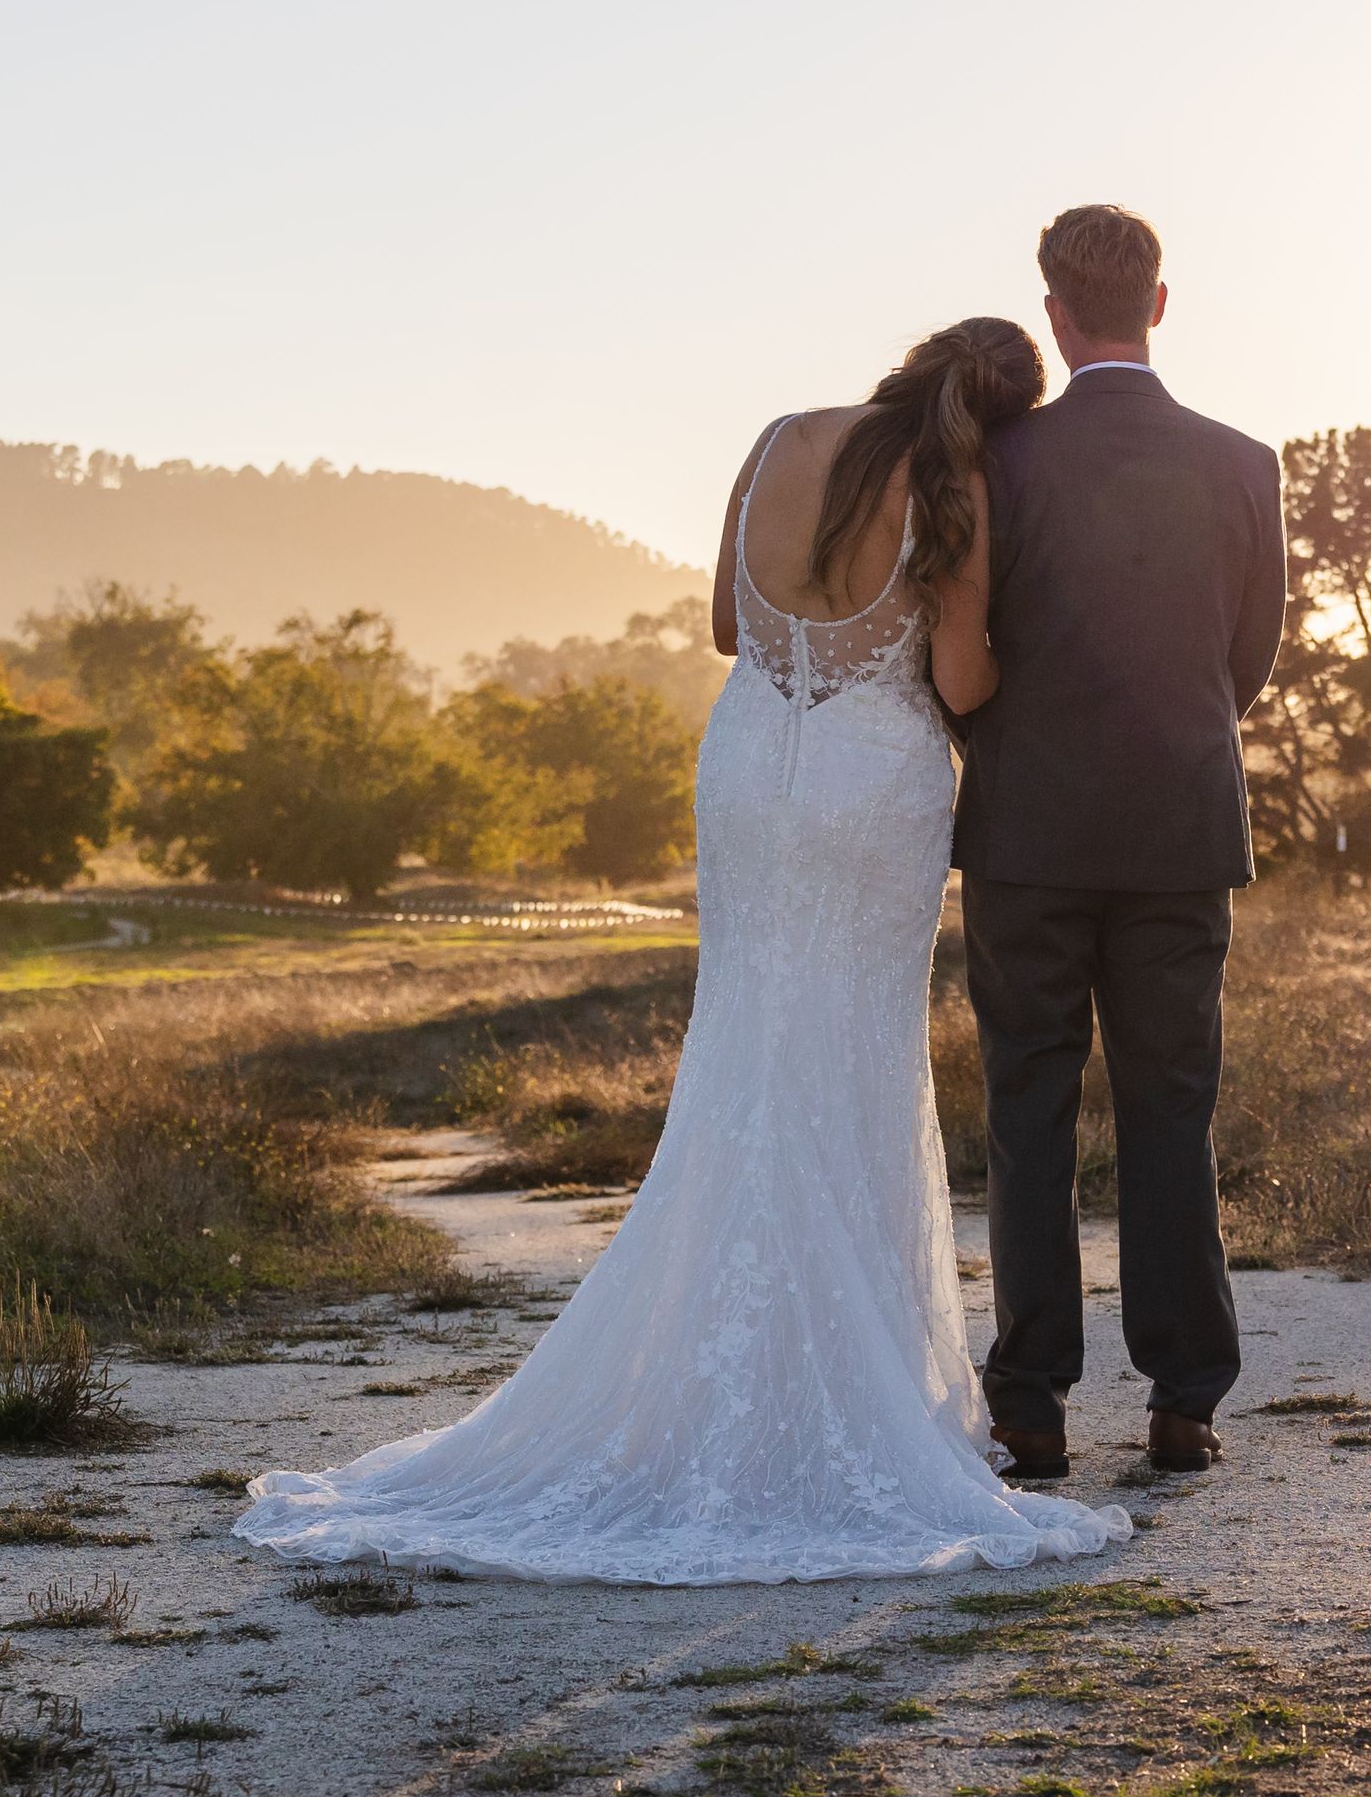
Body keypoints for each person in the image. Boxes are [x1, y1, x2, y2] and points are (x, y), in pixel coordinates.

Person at [231, 313, 1137, 1583]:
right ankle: (842, 1384)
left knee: (746, 1049)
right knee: (855, 1062)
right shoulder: (957, 484)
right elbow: (963, 678)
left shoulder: (779, 439)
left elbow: (725, 623)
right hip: (869, 785)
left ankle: (709, 1366)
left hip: (747, 764)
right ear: (998, 418)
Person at [955, 203, 1284, 1480]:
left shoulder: (1000, 462)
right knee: (1170, 1108)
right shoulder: (1243, 464)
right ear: (1157, 303)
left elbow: (964, 647)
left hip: (1026, 831)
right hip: (1181, 826)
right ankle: (1185, 1400)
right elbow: (1245, 661)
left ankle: (1031, 1404)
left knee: (1027, 1112)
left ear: (1054, 313)